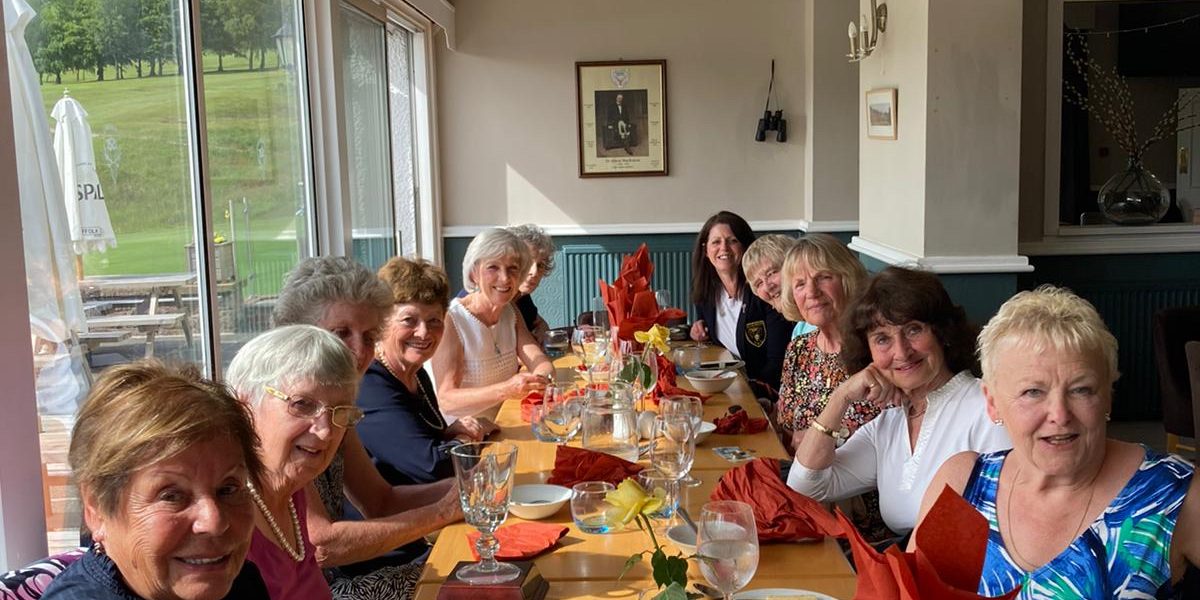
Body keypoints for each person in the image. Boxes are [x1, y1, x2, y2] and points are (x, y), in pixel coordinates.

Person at [913, 286, 1199, 597]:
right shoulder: (963, 484)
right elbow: (908, 590)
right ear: (992, 403)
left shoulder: (1175, 494)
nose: (1060, 415)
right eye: (1032, 392)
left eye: (1081, 389)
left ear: (1108, 396)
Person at [274, 258, 464, 600]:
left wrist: (470, 487)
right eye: (341, 333)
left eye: (369, 336)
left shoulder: (337, 407)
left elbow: (380, 500)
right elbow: (322, 546)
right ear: (299, 332)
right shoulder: (278, 409)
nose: (359, 351)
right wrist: (443, 512)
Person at [786, 266, 1010, 541]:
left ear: (942, 332)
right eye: (882, 339)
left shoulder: (986, 409)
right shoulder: (890, 423)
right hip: (909, 563)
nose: (902, 352)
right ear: (868, 351)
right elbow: (805, 485)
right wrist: (840, 397)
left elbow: (1004, 530)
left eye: (913, 330)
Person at [43, 361, 269, 599]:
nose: (214, 522)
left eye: (228, 489)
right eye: (171, 496)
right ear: (96, 509)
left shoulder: (241, 583)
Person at [358, 257, 497, 486]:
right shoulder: (370, 386)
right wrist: (466, 438)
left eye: (434, 321)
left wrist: (449, 433)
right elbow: (433, 468)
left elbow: (423, 441)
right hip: (392, 507)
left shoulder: (416, 374)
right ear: (382, 322)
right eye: (409, 320)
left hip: (426, 499)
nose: (423, 332)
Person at [433, 228, 554, 421]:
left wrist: (539, 380)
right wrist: (507, 389)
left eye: (513, 268)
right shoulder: (452, 320)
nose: (505, 278)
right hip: (466, 433)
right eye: (493, 267)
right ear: (474, 274)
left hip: (506, 421)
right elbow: (446, 400)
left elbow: (541, 362)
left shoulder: (511, 312)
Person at [774, 234, 871, 443]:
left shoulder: (876, 348)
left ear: (848, 280)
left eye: (823, 277)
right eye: (800, 284)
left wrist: (817, 439)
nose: (811, 292)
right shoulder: (799, 349)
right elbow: (786, 428)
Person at [689, 211, 793, 397]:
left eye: (732, 241)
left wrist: (747, 391)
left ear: (745, 246)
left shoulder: (765, 291)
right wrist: (697, 330)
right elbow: (711, 338)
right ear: (705, 250)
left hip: (765, 392)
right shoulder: (705, 292)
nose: (724, 248)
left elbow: (778, 362)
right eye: (716, 242)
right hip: (729, 382)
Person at [742, 233, 814, 338]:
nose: (768, 287)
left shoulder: (820, 319)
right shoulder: (800, 329)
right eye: (759, 283)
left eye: (771, 273)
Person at [508, 224, 556, 344]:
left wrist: (541, 331)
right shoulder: (496, 299)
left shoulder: (521, 296)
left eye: (540, 265)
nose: (534, 272)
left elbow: (540, 323)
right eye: (527, 263)